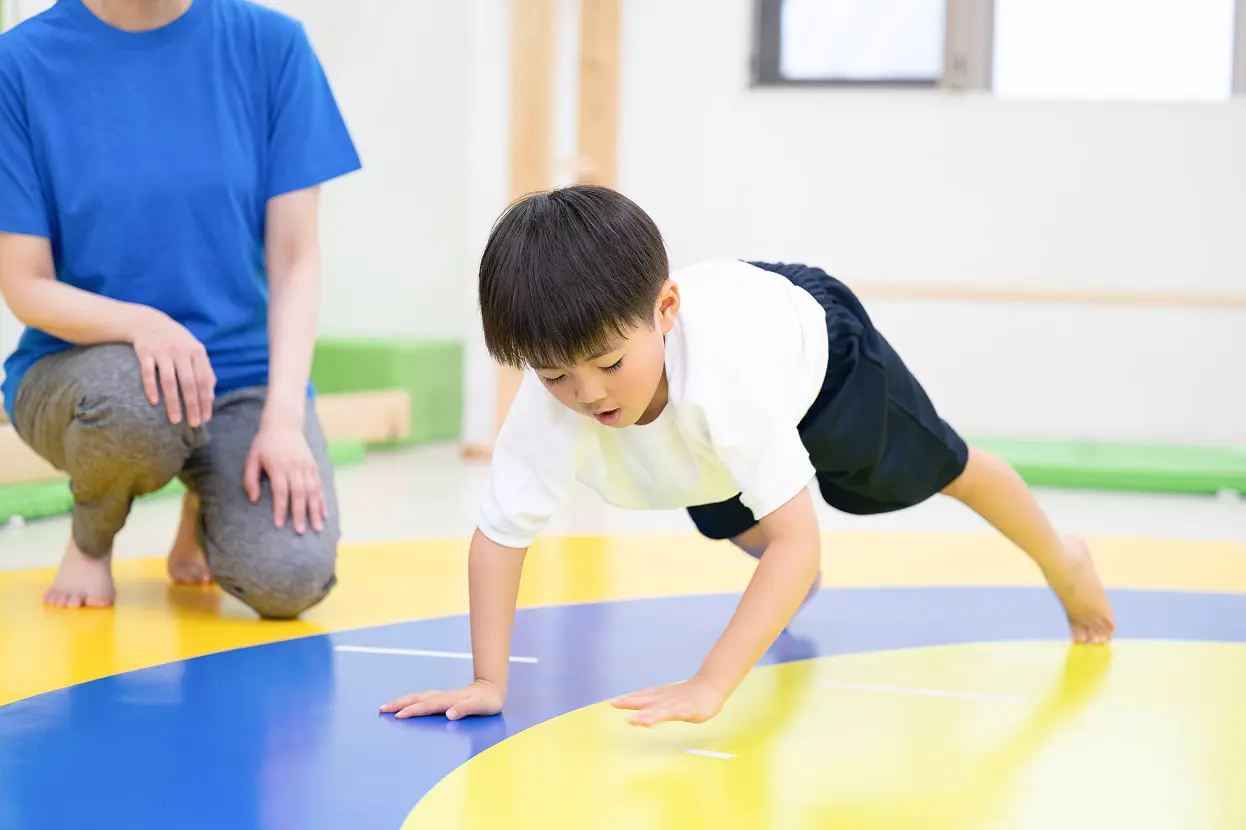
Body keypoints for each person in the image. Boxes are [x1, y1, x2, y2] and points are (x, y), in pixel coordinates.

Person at [379, 184, 1115, 727]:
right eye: (555, 375)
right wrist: (486, 680)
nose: (586, 393)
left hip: (818, 358)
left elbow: (796, 542)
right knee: (726, 509)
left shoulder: (725, 383)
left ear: (664, 312)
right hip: (710, 422)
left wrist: (709, 683)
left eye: (606, 363)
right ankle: (774, 550)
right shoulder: (554, 405)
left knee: (931, 473)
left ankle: (1060, 554)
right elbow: (500, 539)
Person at [0, 0, 361, 618]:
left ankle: (201, 506)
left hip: (238, 378)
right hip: (83, 376)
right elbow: (26, 287)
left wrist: (281, 416)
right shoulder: (20, 64)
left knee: (290, 578)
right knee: (136, 401)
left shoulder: (273, 46)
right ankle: (91, 540)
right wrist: (143, 325)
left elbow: (296, 260)